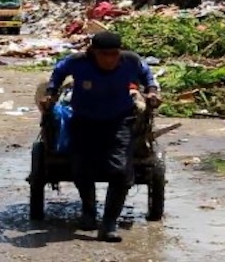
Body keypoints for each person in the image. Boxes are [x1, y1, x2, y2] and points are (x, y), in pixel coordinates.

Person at [40, 31, 160, 242]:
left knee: (120, 171)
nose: (109, 59)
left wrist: (151, 92)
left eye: (114, 54)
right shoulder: (78, 62)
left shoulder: (130, 61)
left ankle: (109, 223)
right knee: (81, 168)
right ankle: (88, 212)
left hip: (119, 121)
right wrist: (50, 93)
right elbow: (58, 72)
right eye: (104, 54)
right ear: (93, 52)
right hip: (84, 121)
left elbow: (147, 76)